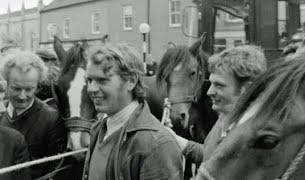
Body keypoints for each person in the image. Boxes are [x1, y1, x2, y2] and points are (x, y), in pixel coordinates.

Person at [83, 42, 183, 180]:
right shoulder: (98, 129)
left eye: (102, 80)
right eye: (89, 80)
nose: (91, 89)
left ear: (131, 80)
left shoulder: (156, 145)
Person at [168, 45, 267, 164]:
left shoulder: (259, 136)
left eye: (219, 85)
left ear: (248, 88)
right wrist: (173, 138)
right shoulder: (224, 118)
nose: (209, 92)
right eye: (210, 83)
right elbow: (211, 156)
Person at [0, 51, 66, 179]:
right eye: (16, 88)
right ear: (6, 84)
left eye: (29, 89)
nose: (22, 96)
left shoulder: (51, 119)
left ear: (37, 86)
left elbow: (54, 170)